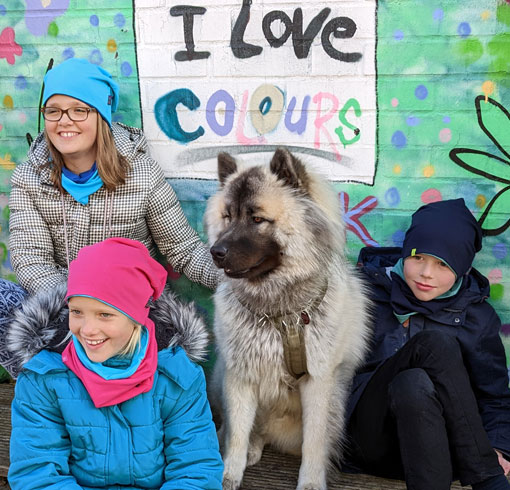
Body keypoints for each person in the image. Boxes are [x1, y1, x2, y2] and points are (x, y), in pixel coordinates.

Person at [0, 57, 219, 378]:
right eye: (54, 110)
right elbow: (32, 260)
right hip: (64, 308)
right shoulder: (29, 178)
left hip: (130, 312)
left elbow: (184, 250)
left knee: (149, 341)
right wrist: (81, 307)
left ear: (100, 115)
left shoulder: (141, 174)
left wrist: (242, 279)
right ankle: (58, 387)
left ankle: (115, 379)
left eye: (79, 110)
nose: (65, 121)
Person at [8, 237, 223, 490]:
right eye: (77, 311)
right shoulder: (44, 378)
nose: (87, 329)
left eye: (105, 314)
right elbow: (36, 474)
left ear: (136, 316)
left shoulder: (177, 377)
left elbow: (196, 469)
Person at [342, 199, 510, 490]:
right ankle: (488, 479)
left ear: (463, 268)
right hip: (368, 438)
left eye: (442, 263)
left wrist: (498, 446)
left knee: (414, 382)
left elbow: (494, 397)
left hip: (441, 452)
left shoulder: (477, 319)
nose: (426, 273)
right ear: (405, 253)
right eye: (418, 257)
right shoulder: (365, 293)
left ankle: (483, 469)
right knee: (434, 344)